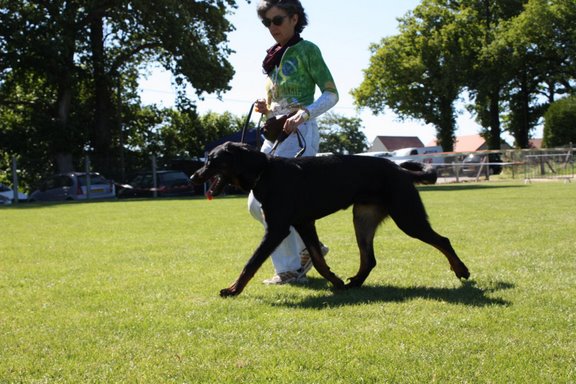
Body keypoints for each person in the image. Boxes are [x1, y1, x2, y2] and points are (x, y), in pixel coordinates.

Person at [249, 0, 339, 285]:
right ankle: (308, 250)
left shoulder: (307, 50)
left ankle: (289, 270)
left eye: (277, 20)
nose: (272, 27)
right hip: (275, 134)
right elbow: (276, 99)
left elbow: (332, 94)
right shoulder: (272, 57)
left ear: (294, 18)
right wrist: (266, 107)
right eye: (267, 23)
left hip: (299, 134)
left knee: (272, 201)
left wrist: (305, 113)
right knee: (256, 204)